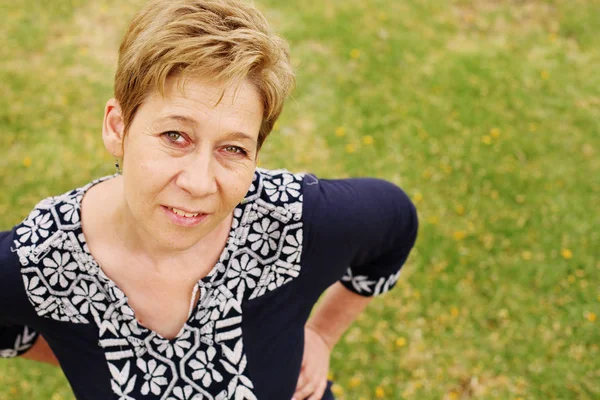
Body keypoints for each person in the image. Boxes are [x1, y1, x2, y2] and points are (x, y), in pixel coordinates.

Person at [0, 0, 418, 399]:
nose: (200, 183)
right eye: (175, 136)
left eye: (233, 149)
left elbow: (396, 223)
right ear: (117, 127)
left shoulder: (289, 225)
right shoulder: (43, 262)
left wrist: (323, 334)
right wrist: (76, 353)